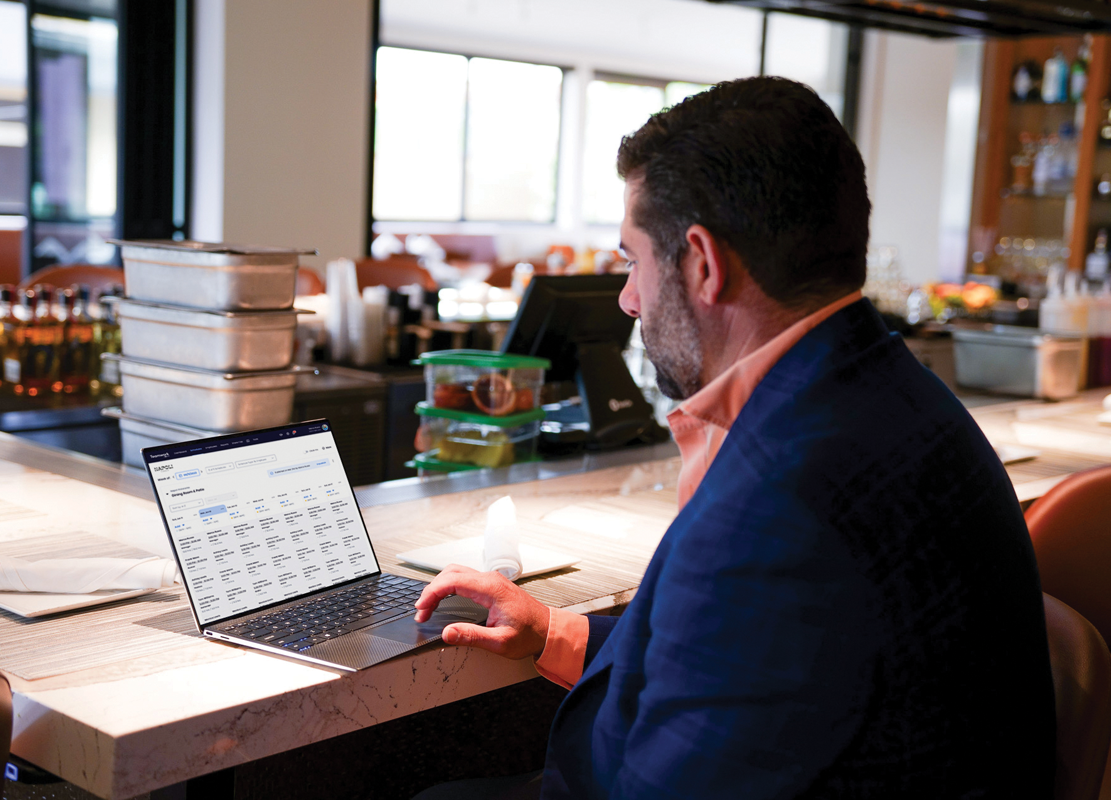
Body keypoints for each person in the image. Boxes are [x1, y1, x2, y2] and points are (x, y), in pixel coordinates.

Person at [413, 76, 1055, 799]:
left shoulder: (782, 510)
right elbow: (737, 655)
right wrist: (558, 632)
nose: (627, 299)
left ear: (703, 264)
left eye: (632, 260)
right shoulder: (894, 394)